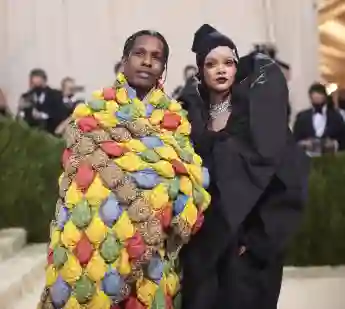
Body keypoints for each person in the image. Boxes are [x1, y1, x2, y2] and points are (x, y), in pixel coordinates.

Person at [38, 30, 211, 309]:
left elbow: (188, 178)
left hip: (150, 254)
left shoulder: (174, 119)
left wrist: (159, 207)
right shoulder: (94, 112)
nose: (147, 62)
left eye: (156, 57)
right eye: (139, 54)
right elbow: (77, 173)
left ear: (163, 68)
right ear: (124, 60)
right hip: (94, 249)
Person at [179, 24, 309, 309]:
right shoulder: (187, 119)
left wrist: (257, 242)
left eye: (229, 62)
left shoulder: (258, 117)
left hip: (246, 254)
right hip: (202, 250)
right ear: (200, 71)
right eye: (211, 64)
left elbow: (288, 179)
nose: (221, 69)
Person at [293, 83, 345, 154]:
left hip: (331, 159)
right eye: (314, 99)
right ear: (310, 99)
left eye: (319, 99)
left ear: (325, 97)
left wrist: (334, 144)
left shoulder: (336, 116)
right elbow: (294, 140)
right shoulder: (302, 117)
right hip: (306, 158)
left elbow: (342, 139)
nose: (317, 102)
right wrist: (303, 143)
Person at [17, 69, 66, 134]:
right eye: (32, 79)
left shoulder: (55, 95)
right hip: (31, 133)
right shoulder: (26, 96)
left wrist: (42, 115)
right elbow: (21, 115)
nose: (34, 81)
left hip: (51, 133)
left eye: (37, 78)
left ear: (44, 79)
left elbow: (60, 114)